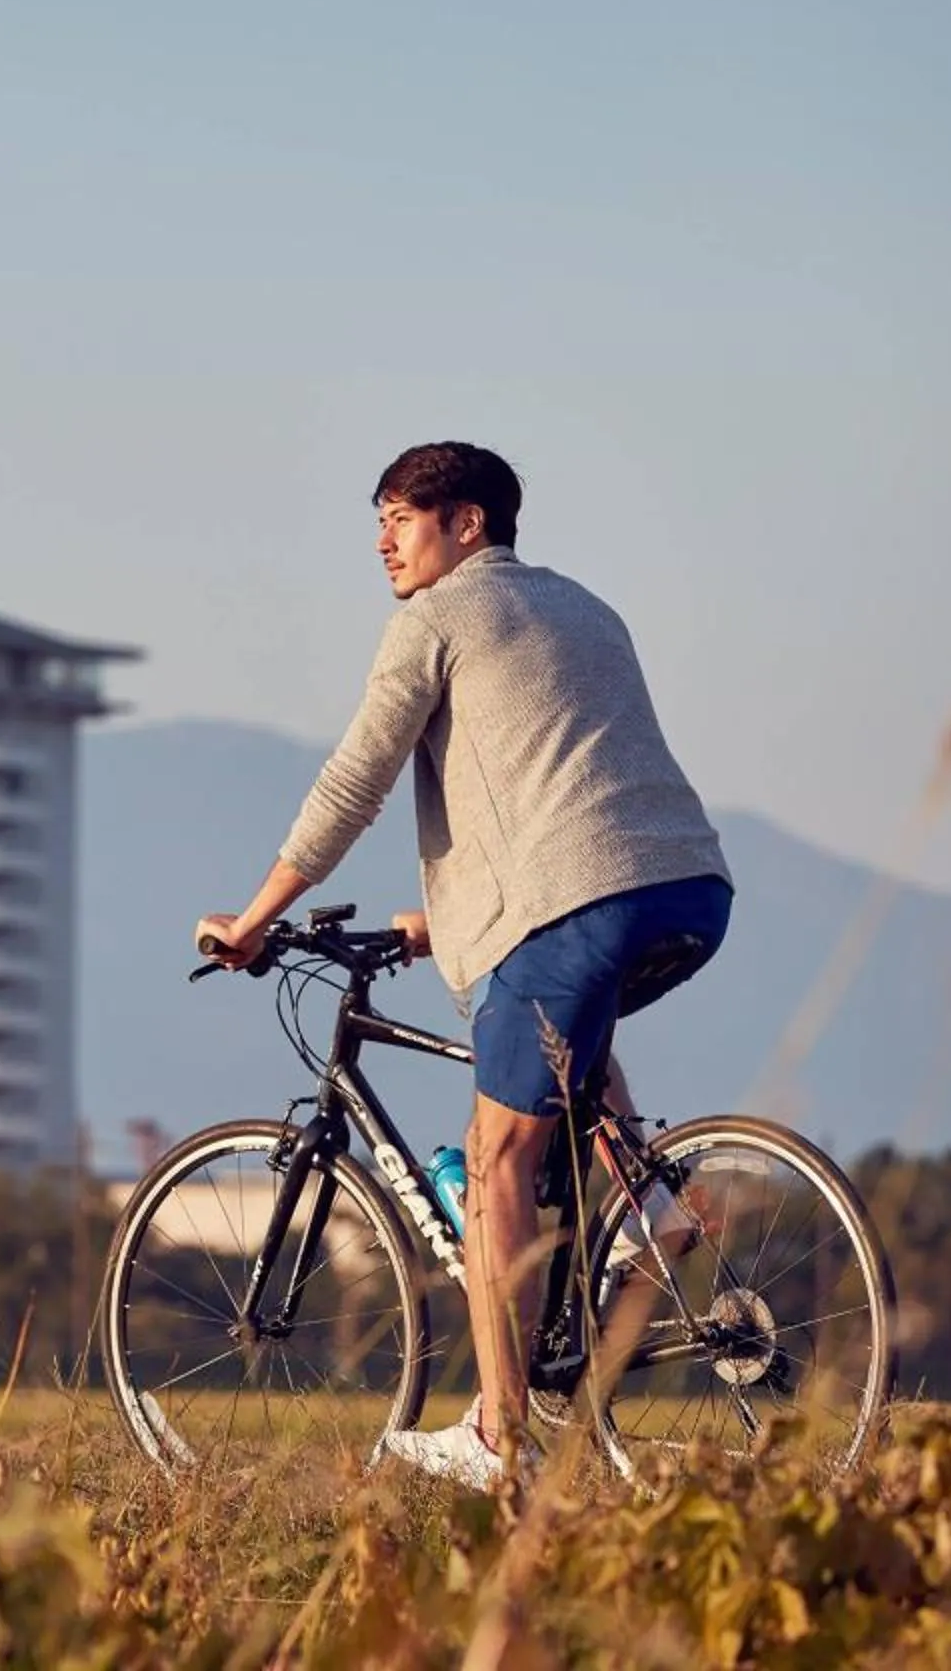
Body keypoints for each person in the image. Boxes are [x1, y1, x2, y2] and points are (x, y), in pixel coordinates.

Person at [197, 442, 734, 1489]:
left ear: (470, 523)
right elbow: (568, 792)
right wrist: (442, 916)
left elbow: (356, 779)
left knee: (495, 1159)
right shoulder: (584, 608)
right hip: (687, 888)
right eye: (381, 519)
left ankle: (498, 1436)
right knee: (566, 1055)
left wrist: (258, 916)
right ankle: (649, 1207)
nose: (384, 539)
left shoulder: (436, 618)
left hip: (574, 902)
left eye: (404, 514)